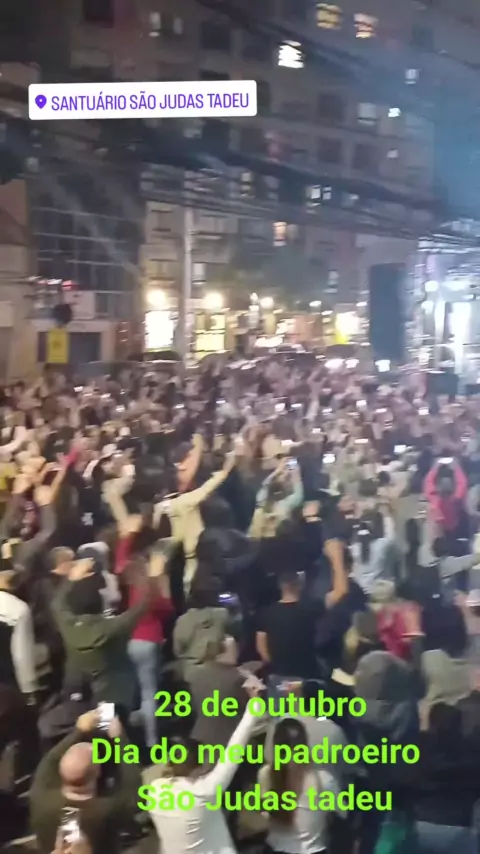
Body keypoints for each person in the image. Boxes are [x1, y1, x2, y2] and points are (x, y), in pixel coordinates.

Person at [144, 691, 259, 854]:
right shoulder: (205, 792)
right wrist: (255, 703)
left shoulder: (154, 790)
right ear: (200, 766)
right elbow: (235, 750)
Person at [52, 555, 163, 710]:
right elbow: (143, 606)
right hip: (110, 695)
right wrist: (153, 577)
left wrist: (71, 579)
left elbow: (57, 604)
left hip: (81, 689)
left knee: (84, 721)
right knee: (109, 724)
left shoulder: (69, 626)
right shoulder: (111, 627)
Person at [30, 709, 141, 854]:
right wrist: (120, 738)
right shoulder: (106, 811)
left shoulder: (40, 797)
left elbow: (49, 761)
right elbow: (134, 787)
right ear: (97, 772)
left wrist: (78, 731)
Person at [259, 717, 344, 854]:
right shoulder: (324, 780)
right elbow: (342, 814)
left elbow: (264, 811)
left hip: (274, 849)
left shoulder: (265, 774)